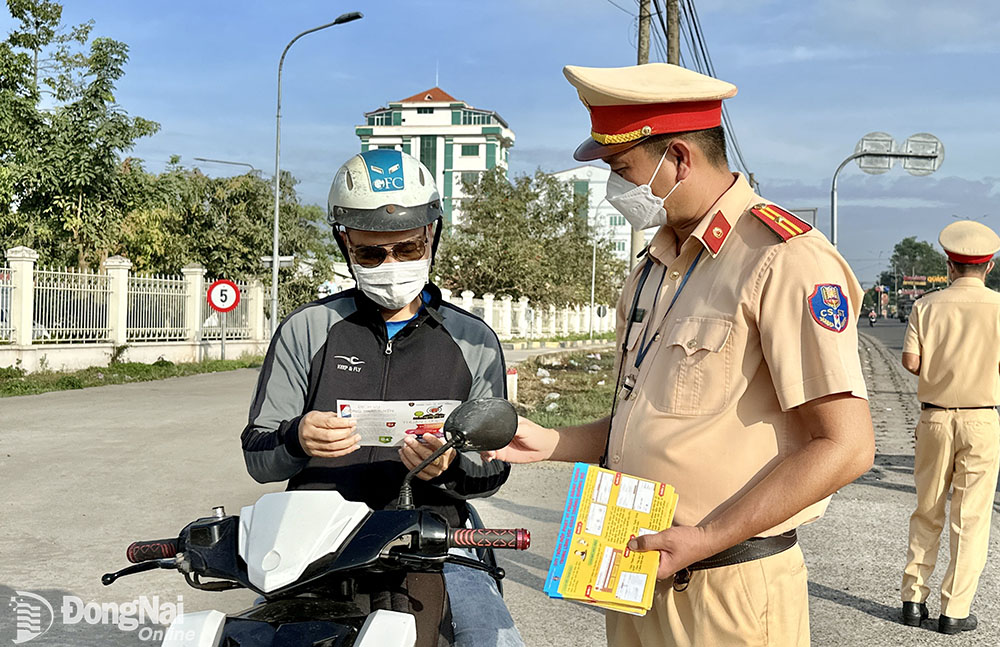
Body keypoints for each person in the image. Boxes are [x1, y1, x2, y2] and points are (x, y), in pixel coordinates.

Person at [488, 63, 875, 647]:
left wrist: (709, 535)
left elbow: (846, 447)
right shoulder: (654, 267)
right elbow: (647, 419)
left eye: (622, 171)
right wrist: (552, 443)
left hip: (728, 584)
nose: (615, 189)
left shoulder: (782, 259)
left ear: (679, 158)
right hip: (635, 567)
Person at [241, 149, 524, 647]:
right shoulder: (306, 331)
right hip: (312, 541)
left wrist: (450, 467)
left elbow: (493, 466)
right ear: (344, 242)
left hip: (432, 538)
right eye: (371, 253)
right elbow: (258, 455)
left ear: (432, 236)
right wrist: (296, 436)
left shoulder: (472, 340)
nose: (390, 265)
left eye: (408, 248)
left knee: (488, 639)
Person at [899, 220, 1000, 635]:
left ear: (949, 265)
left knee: (927, 509)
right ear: (989, 266)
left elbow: (911, 363)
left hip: (935, 418)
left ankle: (912, 599)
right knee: (971, 517)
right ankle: (954, 611)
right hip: (981, 418)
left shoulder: (926, 305)